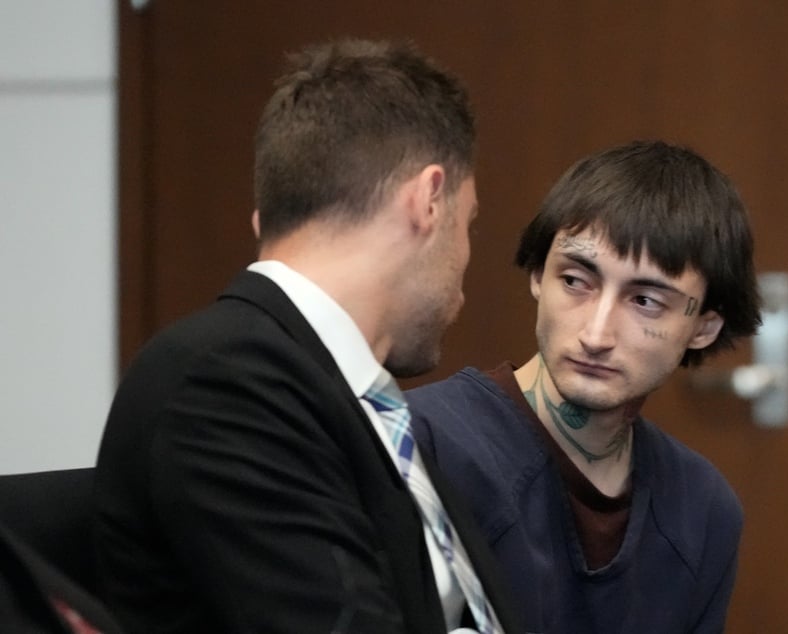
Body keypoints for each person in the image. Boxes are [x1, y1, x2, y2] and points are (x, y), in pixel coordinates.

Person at [94, 38, 521, 634]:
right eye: (468, 223)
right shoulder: (224, 383)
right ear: (428, 200)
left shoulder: (352, 393)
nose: (466, 261)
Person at [406, 140, 762, 633]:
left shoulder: (700, 508)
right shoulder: (420, 444)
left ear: (703, 327)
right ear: (537, 275)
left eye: (645, 301)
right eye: (575, 281)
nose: (595, 335)